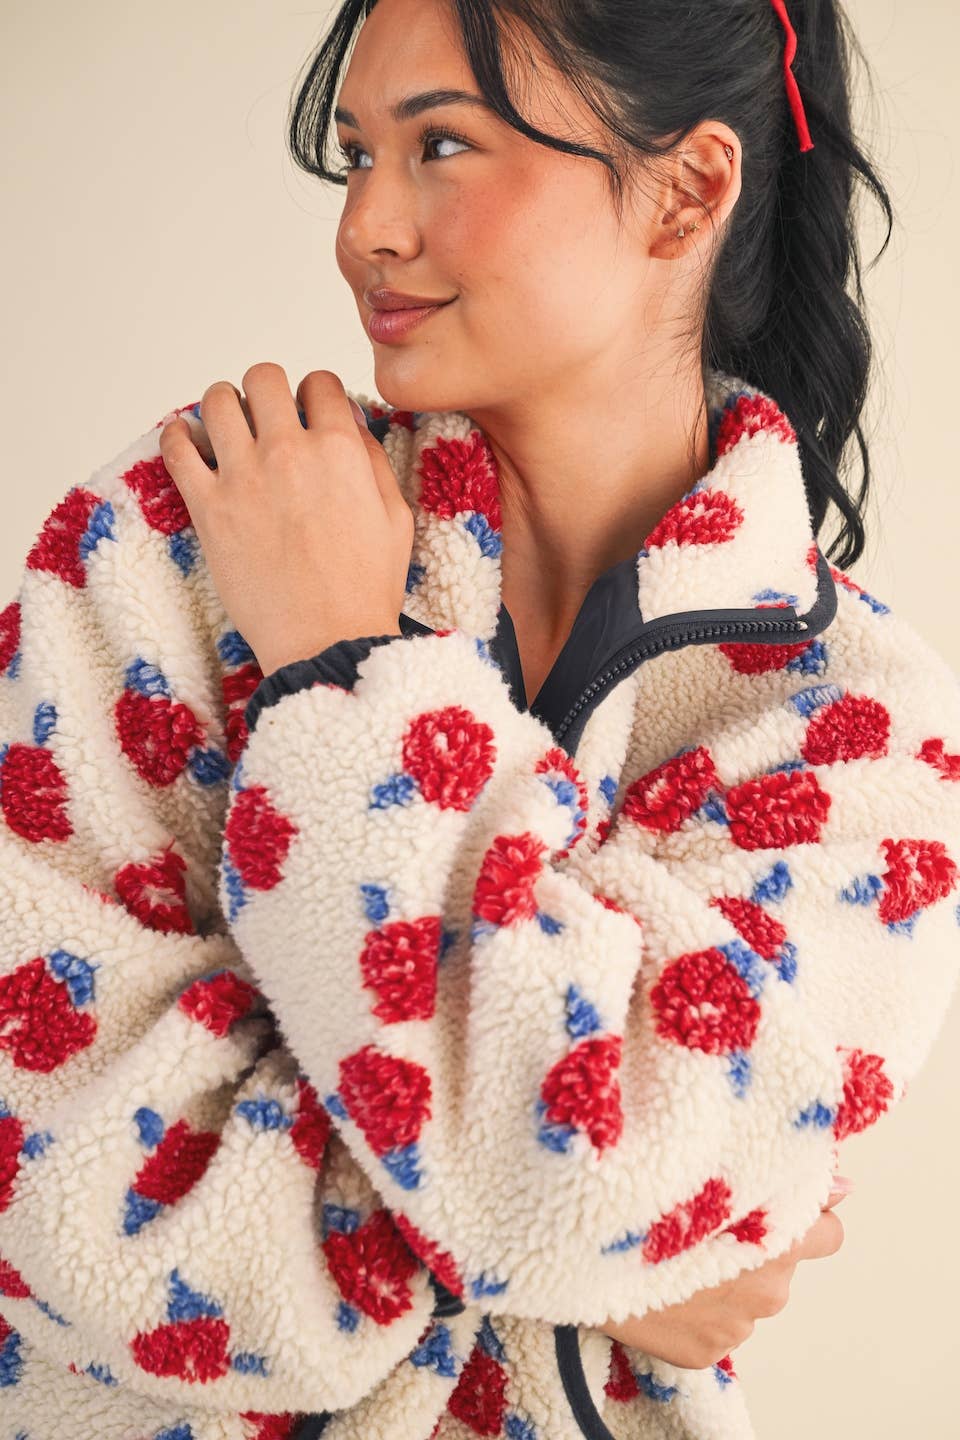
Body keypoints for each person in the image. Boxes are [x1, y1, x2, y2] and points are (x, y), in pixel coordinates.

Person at [0, 2, 956, 1438]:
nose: (365, 227)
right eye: (357, 154)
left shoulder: (858, 733)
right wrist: (587, 1255)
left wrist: (340, 672)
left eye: (441, 144)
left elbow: (595, 1165)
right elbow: (61, 1200)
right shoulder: (177, 537)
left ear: (688, 189)